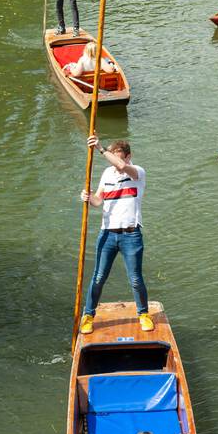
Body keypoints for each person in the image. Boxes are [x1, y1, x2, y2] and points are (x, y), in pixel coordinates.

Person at [79, 136, 153, 335]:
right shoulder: (107, 174)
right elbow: (98, 201)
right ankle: (88, 315)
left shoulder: (138, 173)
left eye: (120, 159)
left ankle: (143, 314)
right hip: (108, 235)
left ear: (129, 157)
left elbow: (120, 165)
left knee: (135, 279)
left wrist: (101, 150)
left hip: (131, 235)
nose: (117, 165)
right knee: (98, 277)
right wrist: (88, 198)